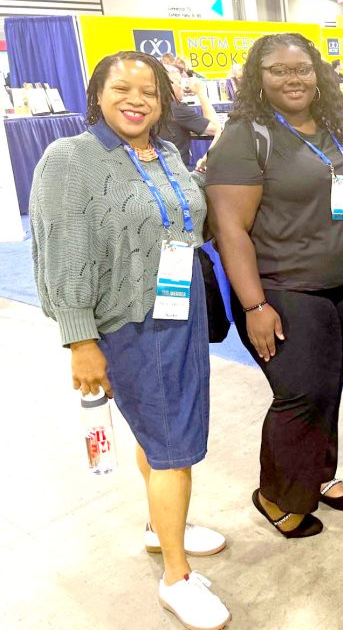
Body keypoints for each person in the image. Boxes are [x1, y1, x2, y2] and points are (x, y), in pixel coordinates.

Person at [30, 51, 230, 630]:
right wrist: (80, 341)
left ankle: (160, 527)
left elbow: (184, 217)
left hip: (180, 313)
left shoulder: (164, 153)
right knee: (174, 446)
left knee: (159, 434)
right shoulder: (70, 159)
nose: (136, 99)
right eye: (122, 88)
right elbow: (62, 251)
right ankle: (176, 577)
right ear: (98, 94)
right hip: (130, 324)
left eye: (149, 90)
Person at [205, 33, 343, 538]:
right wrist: (255, 305)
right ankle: (276, 493)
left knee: (328, 387)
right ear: (258, 77)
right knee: (300, 393)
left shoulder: (331, 125)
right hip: (283, 287)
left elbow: (336, 192)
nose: (293, 78)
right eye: (278, 70)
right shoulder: (245, 136)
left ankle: (317, 474)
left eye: (302, 68)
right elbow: (230, 228)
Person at [164, 64, 221, 168]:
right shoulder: (177, 108)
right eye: (179, 82)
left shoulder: (157, 106)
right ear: (168, 85)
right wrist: (201, 93)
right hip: (179, 171)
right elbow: (216, 130)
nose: (182, 87)